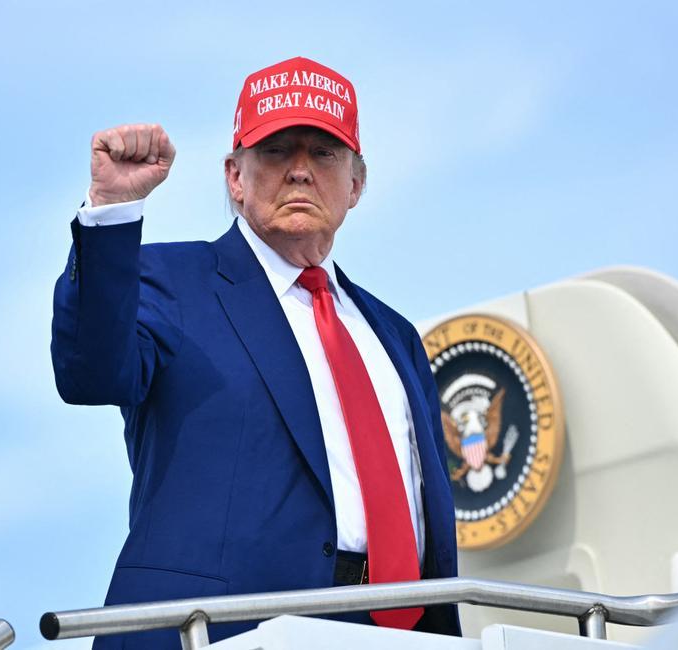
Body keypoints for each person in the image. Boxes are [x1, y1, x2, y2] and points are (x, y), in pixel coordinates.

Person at [51, 56, 460, 649]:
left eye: (323, 153)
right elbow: (89, 371)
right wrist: (112, 209)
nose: (299, 171)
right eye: (275, 151)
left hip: (393, 634)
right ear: (234, 176)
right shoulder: (170, 282)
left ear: (356, 184)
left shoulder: (393, 336)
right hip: (218, 633)